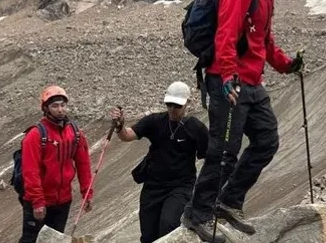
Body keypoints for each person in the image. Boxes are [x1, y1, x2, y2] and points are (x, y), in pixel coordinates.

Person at [182, 0, 308, 242]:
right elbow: (225, 37)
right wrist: (226, 79)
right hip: (228, 81)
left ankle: (228, 201)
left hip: (252, 83)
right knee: (223, 152)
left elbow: (264, 42)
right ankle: (197, 214)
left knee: (267, 141)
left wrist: (287, 64)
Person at [110, 82, 208, 243]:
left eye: (177, 105)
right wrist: (120, 125)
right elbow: (127, 136)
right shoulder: (155, 121)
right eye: (169, 104)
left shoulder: (196, 128)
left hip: (181, 186)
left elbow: (208, 158)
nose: (172, 109)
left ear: (187, 103)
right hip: (153, 186)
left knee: (168, 225)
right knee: (148, 235)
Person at [18, 85, 94, 243]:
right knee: (31, 240)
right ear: (45, 108)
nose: (60, 109)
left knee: (54, 240)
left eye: (62, 105)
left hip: (63, 201)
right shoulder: (35, 135)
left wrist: (87, 193)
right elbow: (30, 172)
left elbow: (83, 164)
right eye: (55, 106)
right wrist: (38, 202)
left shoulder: (75, 133)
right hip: (39, 201)